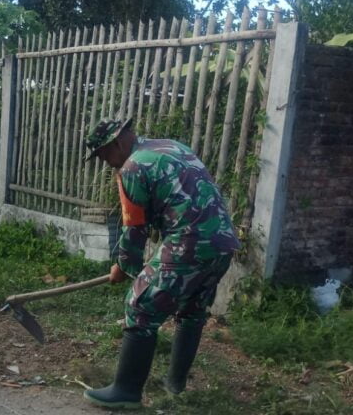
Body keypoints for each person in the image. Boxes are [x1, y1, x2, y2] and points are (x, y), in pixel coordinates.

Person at [82, 118, 241, 410]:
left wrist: (123, 267)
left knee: (140, 306)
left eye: (103, 156)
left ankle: (126, 392)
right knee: (192, 310)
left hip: (189, 243)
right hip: (222, 242)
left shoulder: (132, 167)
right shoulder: (171, 146)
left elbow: (134, 229)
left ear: (115, 144)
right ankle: (175, 385)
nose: (106, 164)